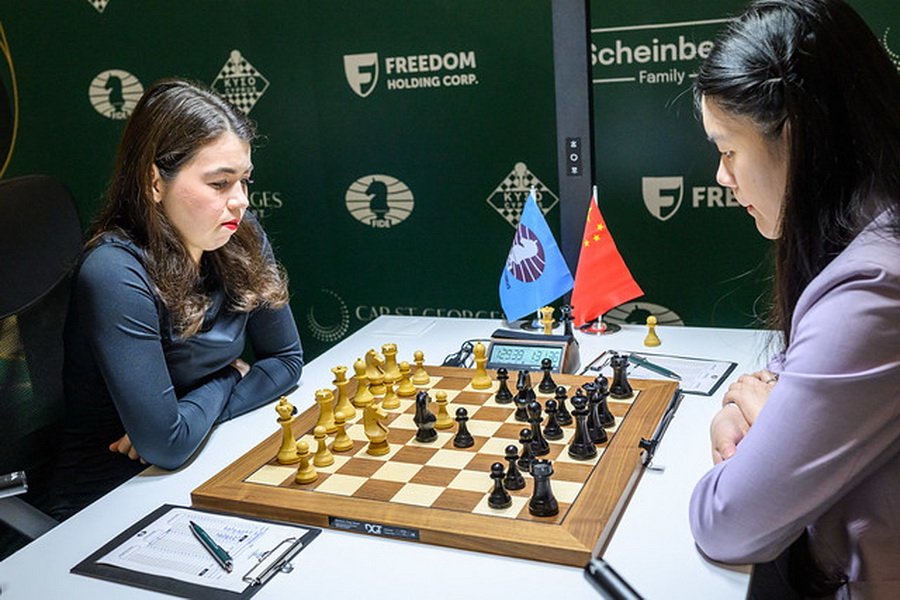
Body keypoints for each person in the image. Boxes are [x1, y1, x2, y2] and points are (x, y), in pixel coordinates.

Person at [688, 0, 900, 597]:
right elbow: (789, 372)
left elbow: (726, 522)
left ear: (796, 136)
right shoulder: (869, 230)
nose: (722, 176)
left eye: (728, 150)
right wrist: (747, 409)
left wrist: (764, 420)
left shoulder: (874, 287)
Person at [46, 79, 303, 519]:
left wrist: (190, 417)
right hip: (111, 497)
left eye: (244, 181)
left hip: (201, 461)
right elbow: (166, 445)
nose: (240, 201)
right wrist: (228, 375)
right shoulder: (115, 271)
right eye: (220, 183)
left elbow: (286, 360)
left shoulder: (241, 235)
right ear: (154, 182)